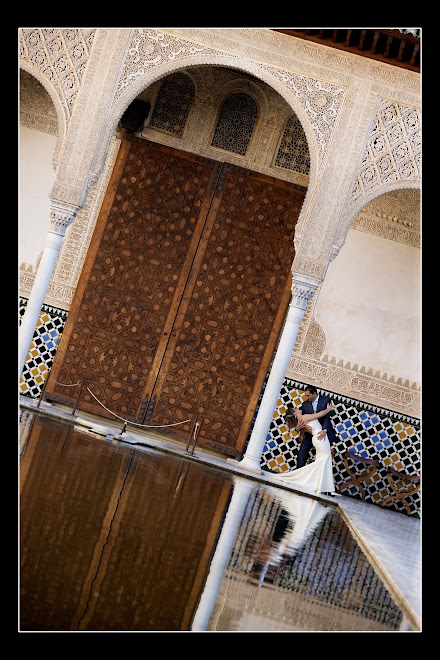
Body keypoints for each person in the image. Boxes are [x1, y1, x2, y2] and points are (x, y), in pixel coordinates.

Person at [277, 405, 336, 495]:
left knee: (322, 461)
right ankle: (323, 487)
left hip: (317, 438)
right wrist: (328, 409)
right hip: (320, 438)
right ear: (295, 413)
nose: (298, 408)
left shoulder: (301, 421)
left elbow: (298, 428)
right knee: (324, 460)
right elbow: (320, 414)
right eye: (295, 409)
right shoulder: (304, 417)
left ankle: (320, 486)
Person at [296, 385, 336, 469]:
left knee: (323, 458)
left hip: (324, 433)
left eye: (308, 395)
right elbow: (302, 420)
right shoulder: (305, 404)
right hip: (310, 434)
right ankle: (298, 474)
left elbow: (326, 417)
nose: (307, 397)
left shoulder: (326, 400)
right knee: (301, 454)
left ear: (314, 394)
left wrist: (324, 430)